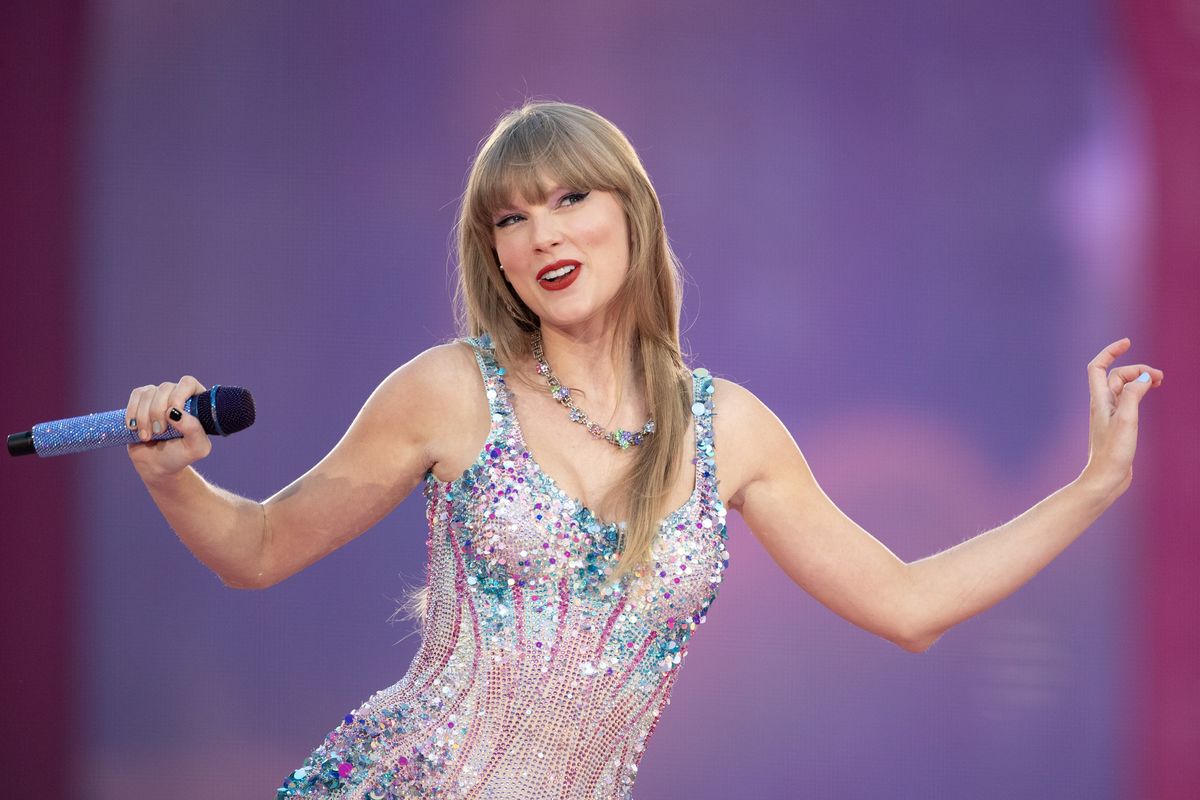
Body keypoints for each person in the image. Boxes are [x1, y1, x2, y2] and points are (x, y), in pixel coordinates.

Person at [124, 102, 1163, 800]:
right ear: (496, 254)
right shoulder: (446, 391)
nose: (544, 234)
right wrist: (176, 479)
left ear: (630, 210)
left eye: (571, 198)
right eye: (512, 218)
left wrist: (1092, 486)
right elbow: (257, 548)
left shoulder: (731, 430)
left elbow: (908, 604)